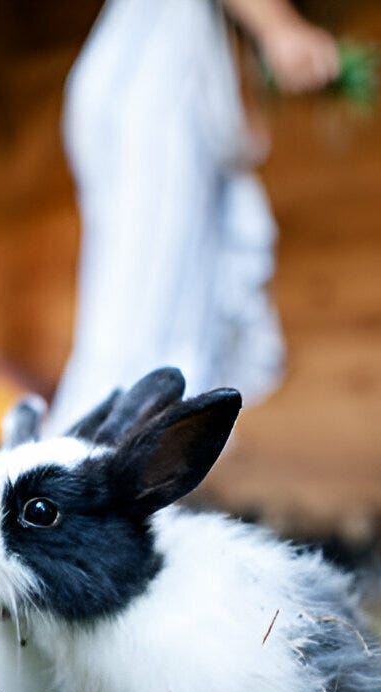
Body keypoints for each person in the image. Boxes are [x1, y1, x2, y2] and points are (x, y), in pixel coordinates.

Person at [45, 0, 340, 431]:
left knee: (140, 306)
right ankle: (82, 474)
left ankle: (99, 465)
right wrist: (282, 28)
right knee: (144, 316)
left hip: (130, 97)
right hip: (149, 101)